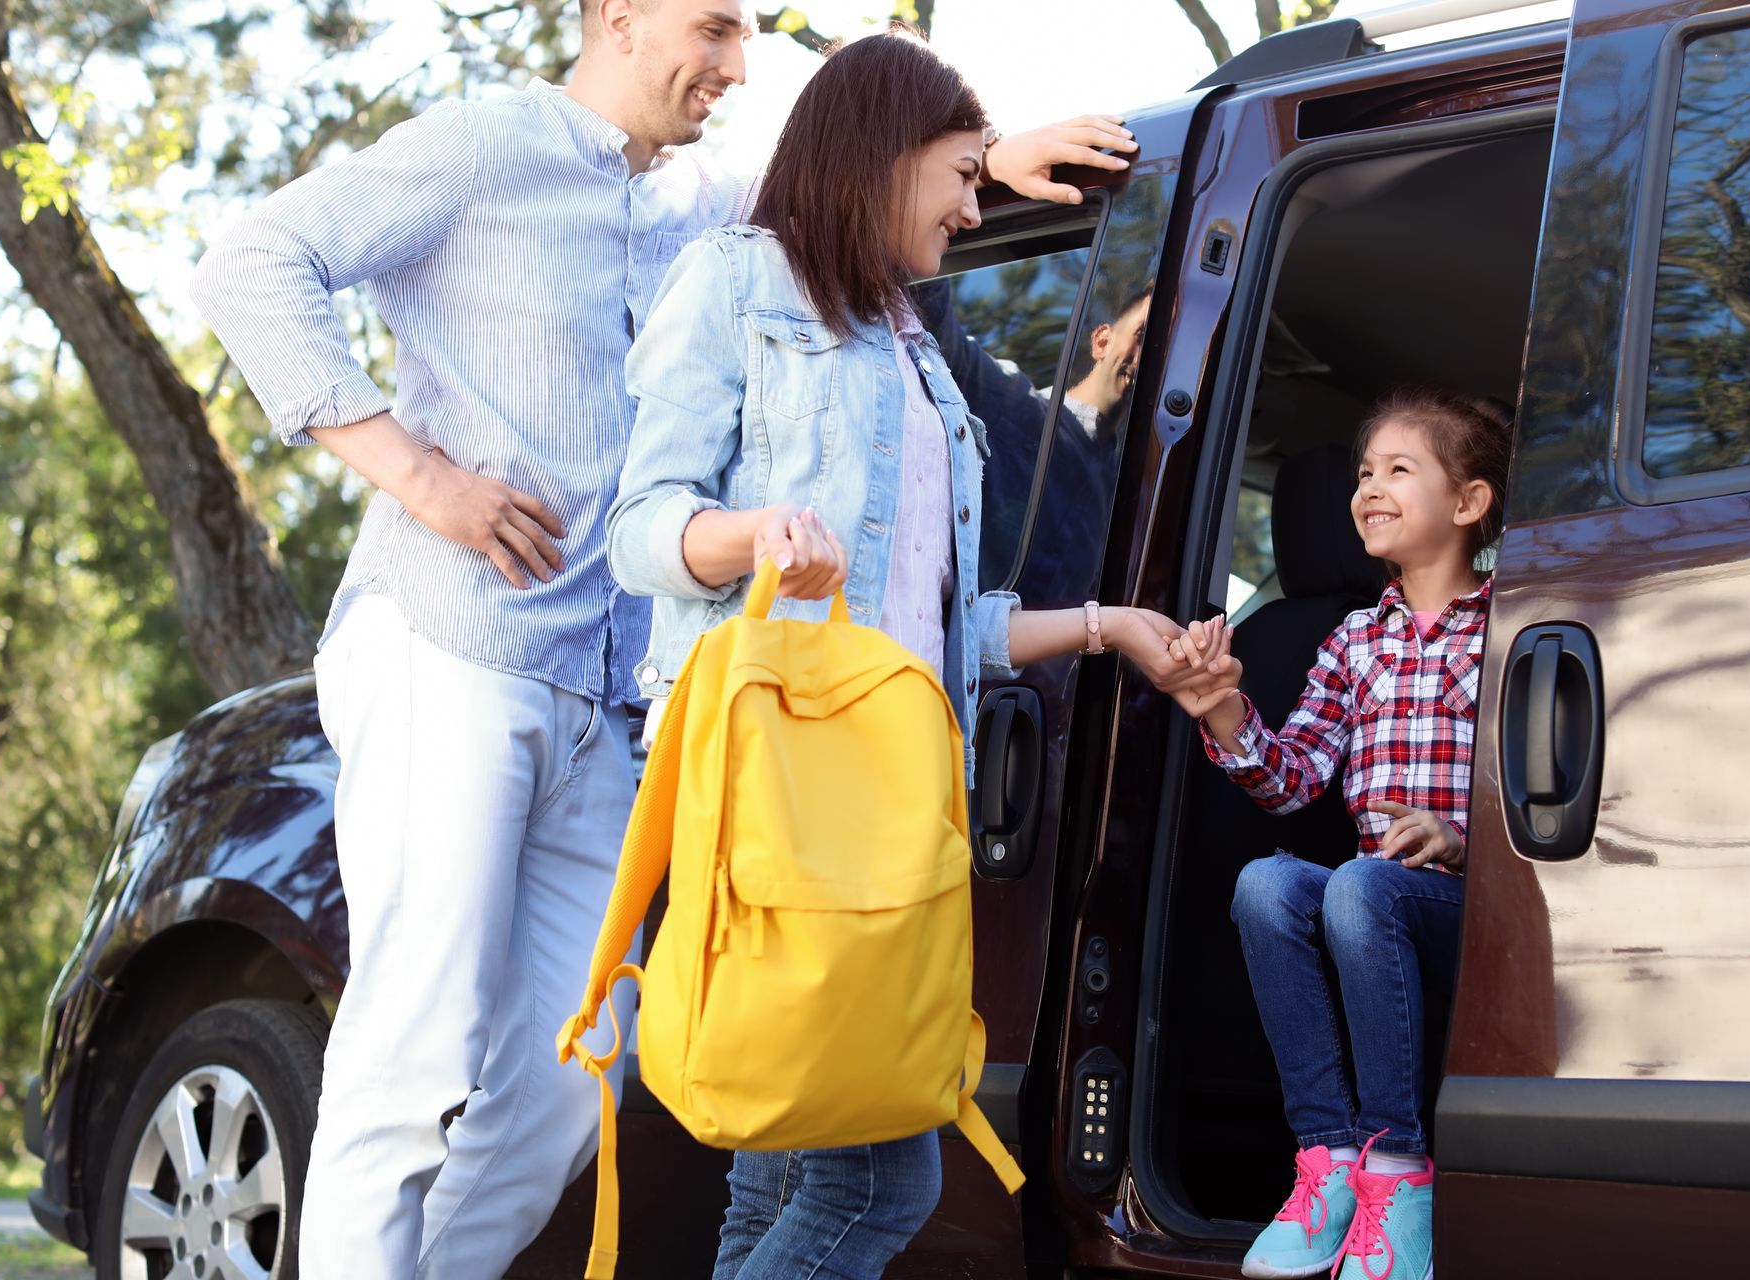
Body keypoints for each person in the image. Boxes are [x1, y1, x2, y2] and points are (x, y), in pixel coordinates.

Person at [188, 0, 1138, 1273]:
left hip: (617, 707)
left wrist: (993, 155)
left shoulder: (709, 205)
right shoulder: (478, 148)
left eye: (747, 38)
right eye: (715, 28)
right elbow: (250, 264)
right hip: (454, 643)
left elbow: (852, 177)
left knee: (566, 1084)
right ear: (617, 17)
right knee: (417, 1053)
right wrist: (424, 479)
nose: (737, 67)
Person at [606, 31, 1219, 1279]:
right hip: (777, 781)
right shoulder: (736, 282)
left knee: (781, 1168)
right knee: (882, 1176)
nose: (970, 208)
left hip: (891, 796)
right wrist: (756, 536)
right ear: (883, 159)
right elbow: (641, 530)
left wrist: (1106, 626)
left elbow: (939, 624)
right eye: (959, 177)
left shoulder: (921, 354)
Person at [1162, 388, 1512, 1280]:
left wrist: (1461, 837)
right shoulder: (1353, 640)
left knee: (1361, 885)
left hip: (1467, 904)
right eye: (1363, 474)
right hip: (1371, 901)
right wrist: (1226, 708)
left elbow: (1536, 791)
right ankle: (1328, 1162)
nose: (1370, 489)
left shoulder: (1512, 626)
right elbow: (1290, 782)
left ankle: (1398, 1170)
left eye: (1399, 470)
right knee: (1267, 883)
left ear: (1469, 502)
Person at [915, 276, 1152, 586]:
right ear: (1102, 342)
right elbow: (938, 330)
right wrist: (926, 251)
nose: (1147, 356)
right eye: (1142, 334)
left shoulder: (1129, 498)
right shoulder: (1018, 407)